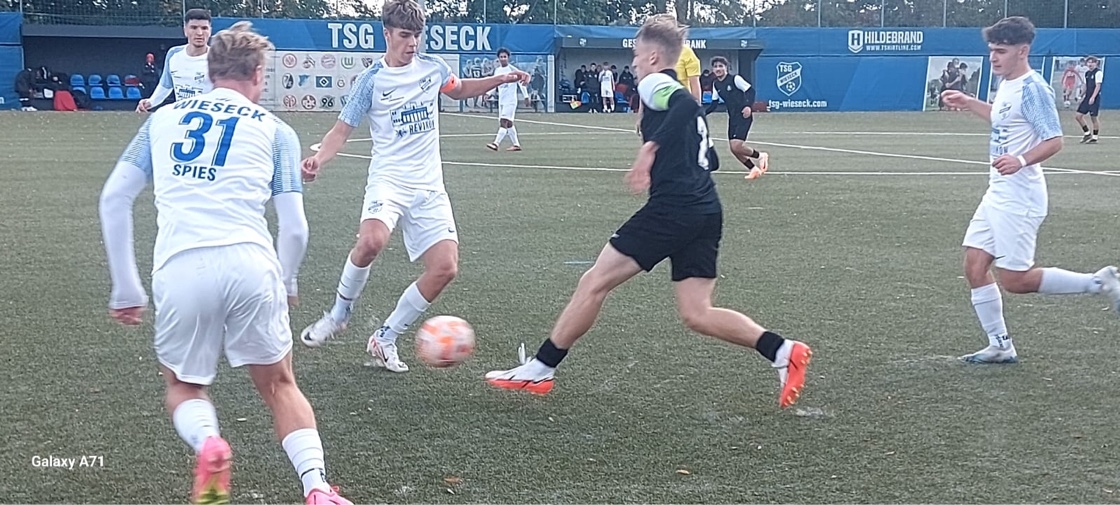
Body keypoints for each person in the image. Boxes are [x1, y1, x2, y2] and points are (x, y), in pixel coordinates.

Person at [484, 14, 813, 410]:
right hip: (705, 208)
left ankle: (540, 368)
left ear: (655, 57)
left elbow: (686, 106)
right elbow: (709, 157)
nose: (635, 63)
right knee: (697, 313)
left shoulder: (655, 83)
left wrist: (651, 148)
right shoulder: (668, 88)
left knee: (594, 282)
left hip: (673, 209)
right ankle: (782, 350)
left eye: (637, 56)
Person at [99, 21, 350, 505]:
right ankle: (317, 486)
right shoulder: (276, 131)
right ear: (257, 74)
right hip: (250, 264)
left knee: (184, 385)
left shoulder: (162, 121)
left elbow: (114, 197)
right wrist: (286, 279)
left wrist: (126, 288)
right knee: (279, 384)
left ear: (210, 72)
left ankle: (210, 444)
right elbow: (295, 228)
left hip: (182, 267)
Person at [299, 0, 529, 372]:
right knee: (370, 242)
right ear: (387, 34)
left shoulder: (433, 68)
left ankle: (385, 336)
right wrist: (318, 160)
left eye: (417, 35)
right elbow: (341, 130)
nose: (412, 43)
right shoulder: (371, 81)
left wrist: (502, 78)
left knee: (445, 267)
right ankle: (339, 314)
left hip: (429, 186)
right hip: (389, 181)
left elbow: (459, 89)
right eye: (405, 35)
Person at [941, 17, 1120, 365]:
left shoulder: (1033, 88)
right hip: (998, 193)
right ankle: (1000, 345)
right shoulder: (1007, 83)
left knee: (1016, 280)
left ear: (1022, 51)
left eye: (1001, 51)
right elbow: (1003, 118)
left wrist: (1020, 160)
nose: (993, 58)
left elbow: (1055, 140)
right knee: (975, 266)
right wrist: (968, 101)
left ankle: (1099, 282)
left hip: (1020, 197)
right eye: (991, 50)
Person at [137, 9, 213, 113]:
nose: (199, 33)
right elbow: (166, 85)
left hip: (209, 118)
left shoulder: (218, 57)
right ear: (185, 30)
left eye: (204, 28)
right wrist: (150, 102)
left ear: (210, 31)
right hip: (181, 116)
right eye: (194, 28)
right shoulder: (174, 54)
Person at [706, 56, 769, 180]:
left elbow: (750, 91)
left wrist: (748, 106)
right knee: (734, 149)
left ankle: (761, 155)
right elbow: (713, 104)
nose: (718, 69)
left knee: (736, 146)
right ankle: (753, 169)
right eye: (715, 66)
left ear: (726, 68)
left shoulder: (735, 79)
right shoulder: (716, 84)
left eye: (721, 66)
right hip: (733, 118)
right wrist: (700, 113)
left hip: (743, 116)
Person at [487, 47, 530, 152]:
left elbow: (521, 83)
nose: (503, 59)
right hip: (501, 101)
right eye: (501, 57)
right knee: (509, 123)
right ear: (498, 58)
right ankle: (516, 145)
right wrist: (488, 93)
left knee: (503, 122)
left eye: (505, 57)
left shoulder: (513, 70)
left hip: (510, 101)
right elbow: (495, 84)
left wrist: (526, 96)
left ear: (508, 58)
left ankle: (496, 143)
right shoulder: (498, 70)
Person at [1075, 55, 1103, 144]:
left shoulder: (1098, 73)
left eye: (1092, 62)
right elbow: (1085, 86)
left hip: (1094, 98)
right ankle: (1087, 134)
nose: (1090, 64)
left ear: (1096, 63)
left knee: (1093, 118)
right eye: (1088, 62)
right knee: (1078, 116)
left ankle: (1095, 137)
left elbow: (1098, 86)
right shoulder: (1087, 73)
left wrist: (1093, 97)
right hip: (1087, 98)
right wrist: (1080, 95)